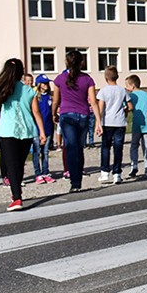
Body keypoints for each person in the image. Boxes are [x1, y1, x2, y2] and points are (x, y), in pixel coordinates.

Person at [0, 58, 47, 210]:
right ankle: (17, 193)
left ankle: (17, 198)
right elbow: (36, 112)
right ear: (21, 72)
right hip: (26, 131)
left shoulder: (2, 89)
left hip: (7, 131)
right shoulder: (29, 90)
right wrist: (42, 131)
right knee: (19, 164)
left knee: (11, 165)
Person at [53, 50, 102, 192]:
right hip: (83, 116)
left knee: (70, 148)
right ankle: (78, 180)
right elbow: (93, 101)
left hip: (67, 115)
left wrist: (53, 114)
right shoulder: (88, 79)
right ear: (82, 62)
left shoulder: (59, 79)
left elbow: (56, 100)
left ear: (66, 62)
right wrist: (98, 121)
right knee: (79, 148)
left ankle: (74, 182)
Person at [97, 66, 131, 184]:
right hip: (120, 122)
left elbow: (100, 108)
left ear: (106, 77)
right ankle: (117, 173)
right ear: (117, 76)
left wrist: (98, 123)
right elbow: (130, 106)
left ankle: (105, 172)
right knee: (118, 148)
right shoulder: (122, 90)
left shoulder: (103, 91)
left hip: (107, 122)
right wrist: (125, 111)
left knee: (106, 147)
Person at [125, 74, 147, 179]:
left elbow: (128, 108)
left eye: (127, 86)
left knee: (134, 146)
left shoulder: (131, 96)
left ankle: (134, 165)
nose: (126, 88)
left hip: (137, 124)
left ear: (132, 86)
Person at [31, 75, 55, 184]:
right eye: (44, 83)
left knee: (45, 152)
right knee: (37, 152)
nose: (46, 85)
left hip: (48, 127)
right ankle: (38, 173)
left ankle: (46, 172)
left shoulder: (50, 97)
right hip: (37, 128)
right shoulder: (35, 97)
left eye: (47, 83)